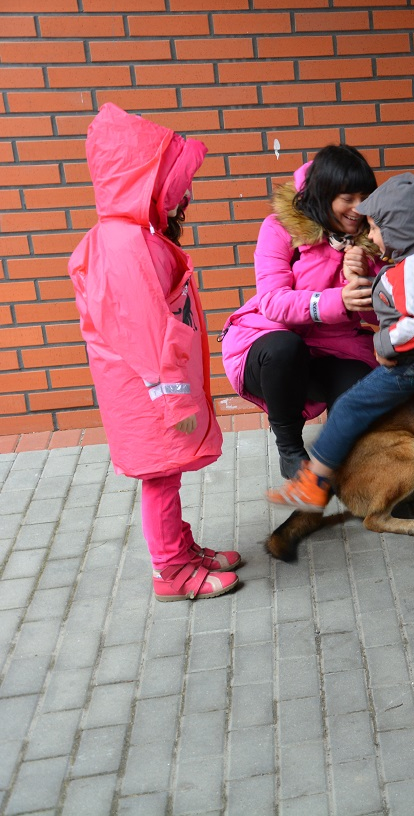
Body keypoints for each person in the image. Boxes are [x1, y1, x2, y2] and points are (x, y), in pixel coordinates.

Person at [69, 103, 241, 601]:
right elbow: (142, 331)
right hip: (149, 391)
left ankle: (181, 550)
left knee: (166, 474)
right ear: (146, 181)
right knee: (160, 478)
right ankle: (171, 570)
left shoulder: (127, 237)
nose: (186, 192)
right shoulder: (126, 246)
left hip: (145, 387)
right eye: (175, 181)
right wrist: (174, 400)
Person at [266, 172, 414, 511]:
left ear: (397, 229)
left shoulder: (411, 269)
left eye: (375, 228)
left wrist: (383, 344)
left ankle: (314, 484)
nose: (371, 236)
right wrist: (364, 280)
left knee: (351, 406)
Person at [220, 145, 384, 479]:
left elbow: (384, 316)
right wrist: (339, 301)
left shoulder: (370, 238)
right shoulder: (279, 228)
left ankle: (350, 469)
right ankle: (290, 449)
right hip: (269, 343)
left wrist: (366, 281)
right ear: (324, 196)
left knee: (360, 391)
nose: (358, 208)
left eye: (365, 197)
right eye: (347, 198)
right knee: (285, 348)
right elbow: (273, 302)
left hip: (333, 347)